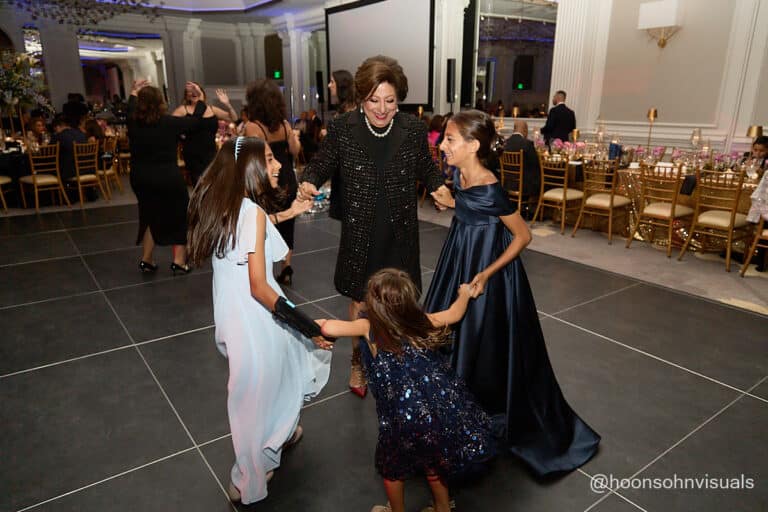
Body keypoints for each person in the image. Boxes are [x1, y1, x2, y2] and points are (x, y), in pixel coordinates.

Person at [427, 110, 600, 476]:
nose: (443, 145)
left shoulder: (491, 186)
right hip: (460, 257)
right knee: (453, 334)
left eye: (450, 140)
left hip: (491, 274)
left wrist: (486, 274)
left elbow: (523, 236)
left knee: (485, 341)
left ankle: (486, 412)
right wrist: (454, 203)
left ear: (473, 146)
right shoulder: (461, 173)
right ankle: (457, 409)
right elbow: (472, 212)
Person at [187, 136, 331, 504]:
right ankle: (247, 477)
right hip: (257, 320)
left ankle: (279, 436)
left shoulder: (226, 206)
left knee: (277, 378)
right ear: (249, 167)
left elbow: (256, 232)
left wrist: (290, 213)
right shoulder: (249, 212)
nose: (278, 164)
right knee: (252, 400)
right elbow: (258, 286)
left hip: (234, 320)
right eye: (268, 159)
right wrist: (306, 326)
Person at [298, 55, 449, 398]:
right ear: (362, 98)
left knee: (402, 303)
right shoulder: (343, 128)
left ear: (400, 99)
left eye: (390, 100)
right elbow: (321, 163)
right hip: (361, 231)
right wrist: (309, 181)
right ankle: (357, 360)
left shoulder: (412, 129)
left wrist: (439, 186)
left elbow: (427, 167)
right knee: (360, 303)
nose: (382, 108)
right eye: (374, 100)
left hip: (400, 232)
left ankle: (401, 363)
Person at [317, 268, 495, 512]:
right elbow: (454, 313)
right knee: (434, 463)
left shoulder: (368, 327)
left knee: (392, 470)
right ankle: (443, 507)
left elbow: (328, 327)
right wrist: (465, 294)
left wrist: (315, 327)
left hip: (400, 417)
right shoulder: (420, 321)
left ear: (375, 303)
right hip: (434, 409)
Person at [127, 79, 207, 274]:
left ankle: (147, 259)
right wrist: (201, 100)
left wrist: (134, 91)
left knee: (149, 215)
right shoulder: (169, 123)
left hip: (140, 178)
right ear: (161, 102)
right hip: (167, 177)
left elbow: (131, 105)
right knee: (180, 216)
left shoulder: (133, 121)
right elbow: (195, 121)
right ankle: (179, 261)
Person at [243, 79, 302, 284]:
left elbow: (255, 158)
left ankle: (264, 269)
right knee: (288, 224)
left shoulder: (253, 127)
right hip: (288, 178)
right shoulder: (285, 125)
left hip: (268, 180)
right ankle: (287, 267)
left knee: (265, 223)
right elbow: (295, 151)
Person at [172, 83, 237, 185]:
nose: (193, 93)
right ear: (186, 95)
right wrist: (182, 137)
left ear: (202, 93)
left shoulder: (211, 109)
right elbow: (172, 128)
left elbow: (234, 118)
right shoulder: (182, 110)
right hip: (193, 155)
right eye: (190, 91)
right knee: (200, 185)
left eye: (196, 91)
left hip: (211, 153)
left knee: (215, 184)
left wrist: (227, 104)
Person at [327, 69, 357, 220]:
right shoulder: (344, 109)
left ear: (341, 85)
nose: (328, 85)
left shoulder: (350, 111)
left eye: (332, 82)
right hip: (341, 170)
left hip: (349, 173)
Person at [502, 119, 541, 205]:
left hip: (507, 183)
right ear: (525, 130)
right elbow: (536, 164)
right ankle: (536, 209)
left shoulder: (505, 143)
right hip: (523, 185)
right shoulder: (527, 144)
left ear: (514, 129)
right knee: (543, 176)